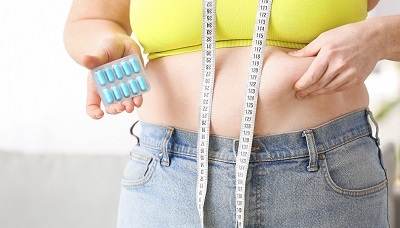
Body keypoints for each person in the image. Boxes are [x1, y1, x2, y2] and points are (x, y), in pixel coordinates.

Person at [64, 0, 399, 227]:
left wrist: (380, 36)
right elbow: (91, 18)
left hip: (325, 174)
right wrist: (107, 44)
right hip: (168, 175)